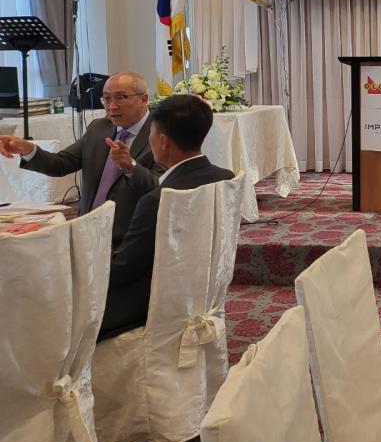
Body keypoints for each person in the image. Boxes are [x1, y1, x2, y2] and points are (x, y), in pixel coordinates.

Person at [100, 93, 233, 340]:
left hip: (153, 302)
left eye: (150, 133)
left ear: (162, 141)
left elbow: (125, 271)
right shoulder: (225, 178)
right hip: (200, 291)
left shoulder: (156, 201)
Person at [0, 72, 163, 247]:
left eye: (121, 98)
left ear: (144, 99)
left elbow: (161, 190)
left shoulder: (161, 133)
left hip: (130, 240)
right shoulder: (99, 128)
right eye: (106, 99)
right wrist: (27, 149)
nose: (112, 106)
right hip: (86, 231)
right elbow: (60, 164)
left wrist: (130, 166)